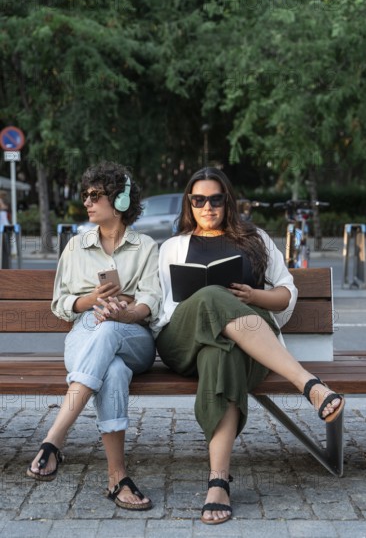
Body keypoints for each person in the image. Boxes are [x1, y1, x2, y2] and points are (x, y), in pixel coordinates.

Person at [156, 167, 345, 525]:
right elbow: (158, 306)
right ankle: (308, 383)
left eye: (215, 199)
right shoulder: (171, 247)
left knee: (221, 354)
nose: (207, 207)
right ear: (189, 204)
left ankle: (218, 482)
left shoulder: (254, 239)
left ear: (228, 200)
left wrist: (254, 295)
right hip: (181, 343)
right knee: (210, 296)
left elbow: (287, 293)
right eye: (199, 200)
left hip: (243, 350)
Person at [27, 161, 161, 511]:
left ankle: (53, 439)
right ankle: (118, 477)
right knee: (112, 369)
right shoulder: (76, 246)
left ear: (118, 201)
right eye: (85, 194)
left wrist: (127, 311)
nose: (86, 202)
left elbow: (153, 299)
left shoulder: (145, 246)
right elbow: (61, 304)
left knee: (112, 328)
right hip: (86, 331)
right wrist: (93, 300)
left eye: (95, 195)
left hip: (134, 335)